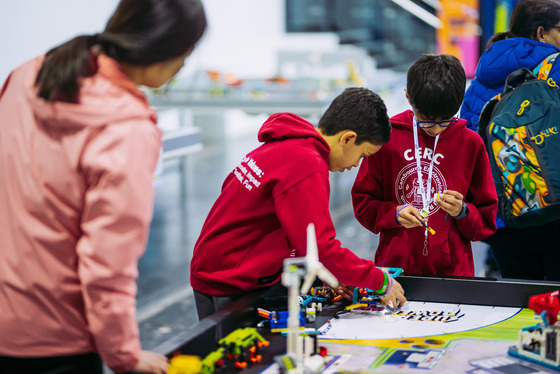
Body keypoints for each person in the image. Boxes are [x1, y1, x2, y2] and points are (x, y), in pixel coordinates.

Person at [0, 0, 206, 373]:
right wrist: (123, 354)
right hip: (54, 337)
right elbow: (107, 263)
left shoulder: (27, 75)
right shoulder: (126, 128)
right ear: (172, 51)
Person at [190, 87, 407, 320]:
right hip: (229, 281)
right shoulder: (307, 165)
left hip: (220, 267)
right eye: (363, 155)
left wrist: (330, 275)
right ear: (347, 138)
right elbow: (322, 247)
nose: (356, 164)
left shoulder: (288, 144)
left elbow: (296, 232)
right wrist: (381, 281)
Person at [351, 54, 498, 277]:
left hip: (454, 274)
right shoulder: (387, 139)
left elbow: (486, 220)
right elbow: (363, 203)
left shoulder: (471, 144)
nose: (436, 129)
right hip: (395, 271)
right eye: (427, 119)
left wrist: (463, 211)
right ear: (408, 98)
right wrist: (394, 213)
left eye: (446, 120)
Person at [460, 0, 560, 280]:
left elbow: (468, 139)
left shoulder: (483, 76)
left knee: (519, 302)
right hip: (554, 211)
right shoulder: (556, 68)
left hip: (503, 216)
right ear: (541, 33)